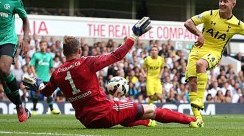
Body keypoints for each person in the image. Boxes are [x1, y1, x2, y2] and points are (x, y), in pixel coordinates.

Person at [23, 17, 197, 128]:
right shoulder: (87, 62)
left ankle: (144, 122)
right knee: (151, 108)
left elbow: (46, 92)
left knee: (125, 110)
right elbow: (117, 55)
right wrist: (134, 36)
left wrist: (37, 84)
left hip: (86, 121)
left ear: (63, 53)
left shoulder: (58, 72)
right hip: (104, 112)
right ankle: (192, 121)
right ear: (80, 50)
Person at [184, 0, 244, 128]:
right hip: (197, 50)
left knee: (200, 64)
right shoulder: (209, 14)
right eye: (220, 0)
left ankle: (200, 99)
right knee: (192, 82)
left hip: (215, 52)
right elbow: (188, 23)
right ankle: (198, 120)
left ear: (233, 4)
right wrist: (199, 33)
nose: (222, 3)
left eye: (225, 1)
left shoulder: (237, 24)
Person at [30, 40, 60, 115]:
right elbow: (32, 65)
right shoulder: (36, 55)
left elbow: (51, 67)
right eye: (42, 45)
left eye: (45, 45)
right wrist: (34, 73)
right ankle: (34, 109)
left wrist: (54, 75)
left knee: (49, 93)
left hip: (47, 78)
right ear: (40, 46)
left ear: (46, 46)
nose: (43, 46)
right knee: (37, 93)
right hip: (38, 78)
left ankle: (52, 109)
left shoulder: (49, 56)